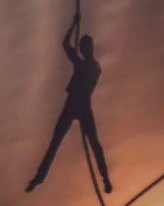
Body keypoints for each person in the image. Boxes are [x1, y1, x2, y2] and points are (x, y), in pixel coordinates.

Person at [25, 11, 112, 194]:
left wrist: (74, 24)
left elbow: (65, 45)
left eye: (83, 47)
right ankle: (39, 179)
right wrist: (74, 25)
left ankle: (105, 178)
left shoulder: (89, 66)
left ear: (88, 48)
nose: (82, 50)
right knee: (60, 143)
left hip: (77, 104)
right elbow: (66, 46)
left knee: (87, 143)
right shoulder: (91, 66)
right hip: (76, 104)